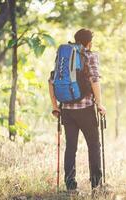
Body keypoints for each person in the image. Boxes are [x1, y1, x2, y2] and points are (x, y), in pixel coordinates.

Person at [48, 29, 106, 193]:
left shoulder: (64, 55)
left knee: (71, 147)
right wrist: (100, 104)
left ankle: (71, 187)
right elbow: (94, 80)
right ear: (89, 43)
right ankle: (96, 186)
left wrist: (55, 106)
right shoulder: (90, 55)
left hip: (66, 109)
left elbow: (51, 81)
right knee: (94, 145)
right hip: (86, 109)